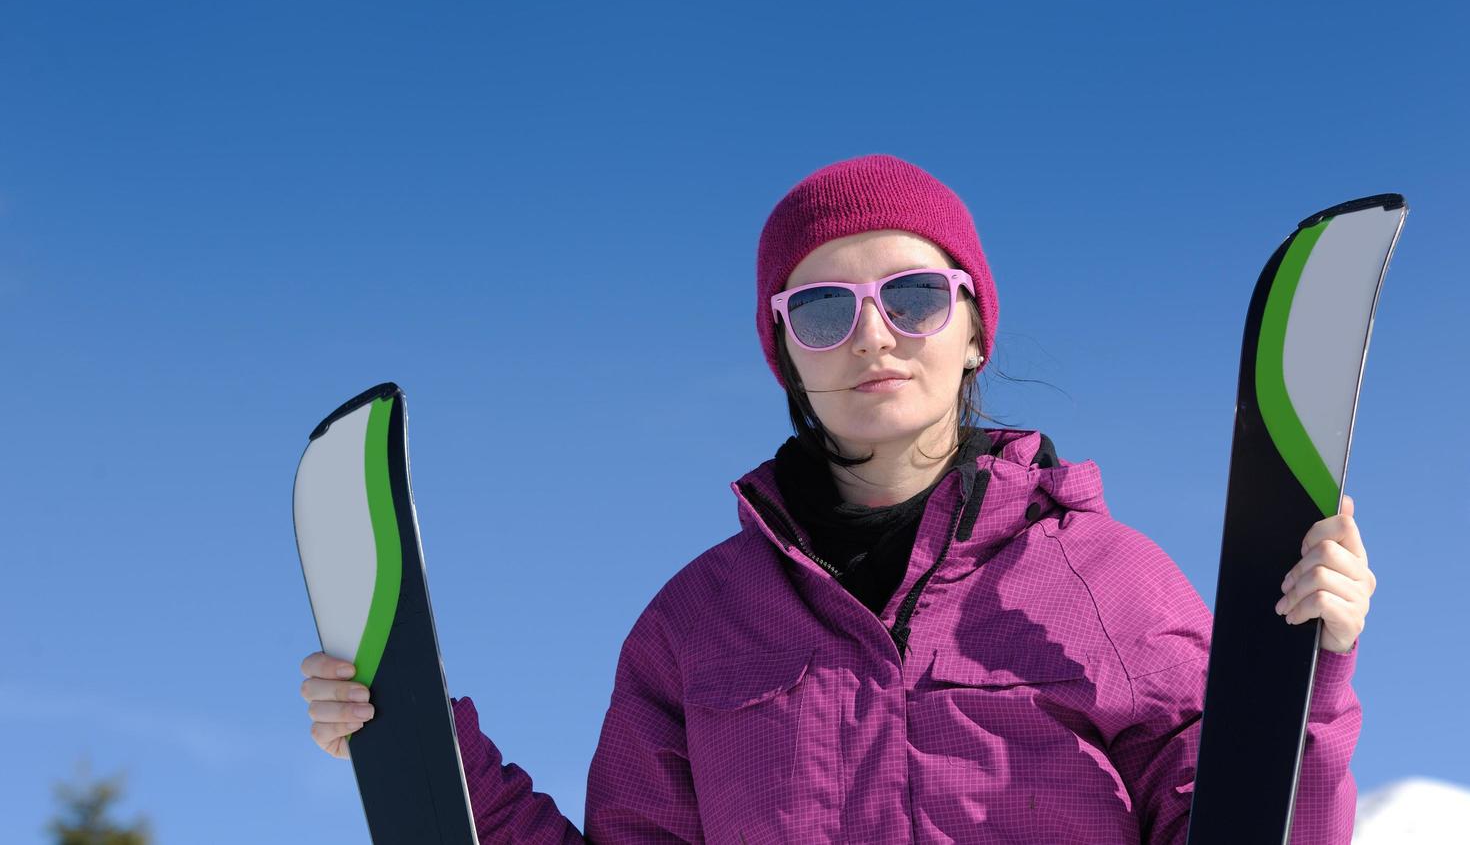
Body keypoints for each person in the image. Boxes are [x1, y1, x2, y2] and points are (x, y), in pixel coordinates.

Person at [299, 153, 1373, 843]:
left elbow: (1245, 820)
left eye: (913, 296)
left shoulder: (1112, 584)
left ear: (974, 331)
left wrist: (1308, 685)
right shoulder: (696, 625)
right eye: (823, 308)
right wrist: (424, 746)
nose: (873, 332)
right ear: (785, 355)